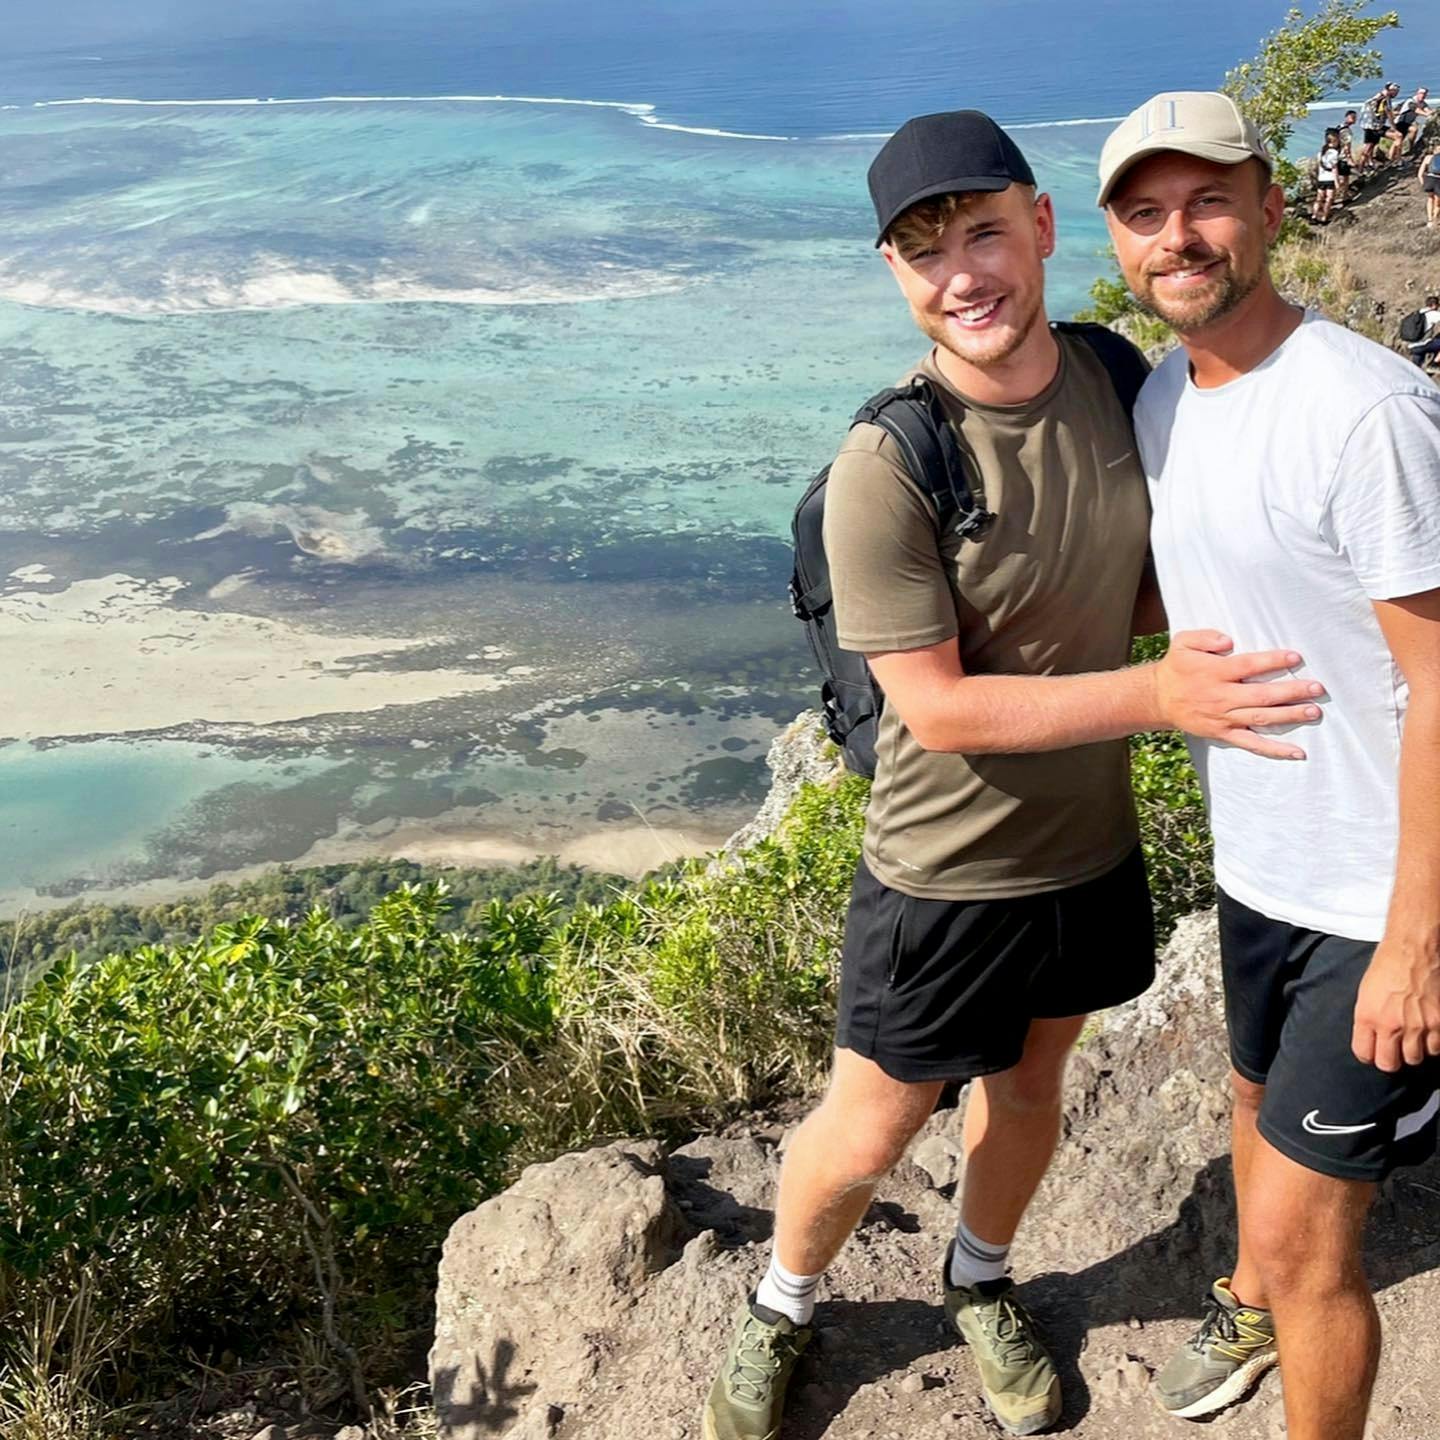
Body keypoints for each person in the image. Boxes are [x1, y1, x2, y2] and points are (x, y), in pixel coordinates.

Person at [701, 108, 1325, 1440]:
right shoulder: (891, 464)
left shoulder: (1110, 375)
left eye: (983, 232)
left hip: (1088, 850)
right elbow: (934, 707)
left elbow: (1140, 576)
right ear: (894, 273)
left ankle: (980, 1280)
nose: (963, 274)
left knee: (1033, 1089)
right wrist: (1159, 696)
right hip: (944, 870)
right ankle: (781, 1305)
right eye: (925, 252)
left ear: (1041, 228)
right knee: (872, 1124)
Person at [1100, 90, 1440, 1440]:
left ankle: (1281, 1311)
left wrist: (1416, 939)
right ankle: (1247, 1302)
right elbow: (1196, 583)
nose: (1178, 237)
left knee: (1312, 1252)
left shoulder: (1368, 410)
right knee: (1251, 1102)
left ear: (1271, 209)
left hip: (1371, 896)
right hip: (1259, 867)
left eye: (1209, 202)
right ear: (1117, 242)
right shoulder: (1164, 398)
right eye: (1146, 212)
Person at [1356, 82, 1399, 171]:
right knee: (1369, 147)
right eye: (1395, 92)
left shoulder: (1378, 96)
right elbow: (1389, 114)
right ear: (1390, 90)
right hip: (1374, 126)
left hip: (1368, 124)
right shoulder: (1384, 99)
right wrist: (1394, 128)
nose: (1396, 94)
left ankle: (1367, 164)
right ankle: (1361, 168)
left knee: (1370, 145)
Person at [1386, 85, 1431, 161]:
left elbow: (1428, 110)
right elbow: (1416, 110)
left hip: (1408, 124)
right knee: (1398, 140)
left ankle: (1409, 147)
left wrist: (1433, 113)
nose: (1423, 95)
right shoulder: (1411, 101)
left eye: (1424, 94)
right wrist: (1426, 114)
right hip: (1401, 122)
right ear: (1417, 93)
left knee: (1414, 130)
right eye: (1421, 93)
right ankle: (1391, 157)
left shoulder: (1423, 103)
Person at [1312, 129, 1341, 224]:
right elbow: (1334, 169)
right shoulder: (1334, 153)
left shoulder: (1320, 153)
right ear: (1334, 141)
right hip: (1330, 179)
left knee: (1319, 198)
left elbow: (1318, 167)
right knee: (1329, 198)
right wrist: (1337, 183)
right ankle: (1324, 217)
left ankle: (1314, 216)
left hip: (1321, 178)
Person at [1405, 295, 1440, 368]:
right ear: (1434, 305)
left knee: (1415, 370)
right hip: (1424, 344)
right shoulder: (1432, 313)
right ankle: (1434, 364)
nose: (1438, 307)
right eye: (1438, 305)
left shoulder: (1419, 313)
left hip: (1413, 346)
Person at [1337, 109, 1357, 204]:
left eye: (1355, 117)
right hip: (1342, 157)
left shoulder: (1339, 127)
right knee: (1345, 178)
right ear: (1347, 117)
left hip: (1335, 156)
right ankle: (1344, 197)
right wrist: (1350, 158)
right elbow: (1347, 146)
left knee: (1340, 177)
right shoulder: (1346, 131)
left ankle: (1339, 195)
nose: (1354, 119)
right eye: (1352, 117)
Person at [1419, 139, 1440, 227]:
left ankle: (1431, 219)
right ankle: (1433, 218)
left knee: (1431, 199)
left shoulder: (1428, 157)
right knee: (1436, 200)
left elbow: (1420, 174)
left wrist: (1423, 183)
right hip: (1437, 180)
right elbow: (1420, 173)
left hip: (1430, 179)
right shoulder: (1429, 158)